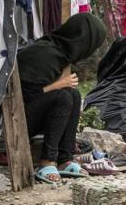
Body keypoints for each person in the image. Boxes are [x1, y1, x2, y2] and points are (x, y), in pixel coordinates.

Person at [16, 13, 107, 183]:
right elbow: (18, 99)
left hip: (26, 117)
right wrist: (56, 85)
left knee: (73, 94)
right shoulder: (43, 54)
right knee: (63, 96)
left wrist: (60, 86)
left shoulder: (57, 53)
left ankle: (65, 159)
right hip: (6, 126)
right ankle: (46, 162)